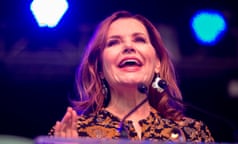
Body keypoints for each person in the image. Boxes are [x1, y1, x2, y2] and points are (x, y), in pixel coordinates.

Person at [48, 10, 214, 142]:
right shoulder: (73, 134)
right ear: (99, 69)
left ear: (157, 63)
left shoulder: (192, 133)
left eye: (139, 40)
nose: (128, 46)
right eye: (114, 42)